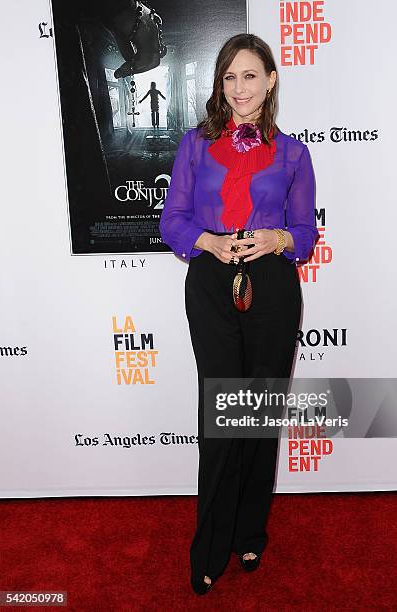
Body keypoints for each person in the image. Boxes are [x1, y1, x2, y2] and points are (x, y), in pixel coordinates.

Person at [159, 33, 320, 595]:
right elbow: (171, 220)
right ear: (220, 85)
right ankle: (211, 542)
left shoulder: (295, 152)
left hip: (272, 286)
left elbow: (305, 234)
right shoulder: (193, 146)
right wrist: (209, 241)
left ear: (271, 80)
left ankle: (251, 529)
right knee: (221, 417)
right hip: (210, 283)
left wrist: (277, 238)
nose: (239, 88)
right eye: (229, 77)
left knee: (258, 415)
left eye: (250, 75)